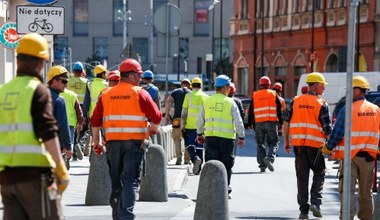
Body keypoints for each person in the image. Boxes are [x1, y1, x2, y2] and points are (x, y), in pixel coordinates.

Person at [0, 33, 69, 220]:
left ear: (18, 60)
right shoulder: (38, 91)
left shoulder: (3, 91)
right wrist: (60, 168)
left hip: (6, 179)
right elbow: (47, 131)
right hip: (34, 177)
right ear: (41, 63)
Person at [90, 58, 162, 220]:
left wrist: (96, 142)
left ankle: (117, 214)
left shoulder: (106, 94)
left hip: (113, 145)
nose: (140, 79)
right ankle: (126, 215)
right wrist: (154, 127)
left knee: (116, 181)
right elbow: (156, 115)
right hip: (134, 144)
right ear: (130, 76)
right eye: (138, 75)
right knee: (130, 181)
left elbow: (95, 120)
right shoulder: (140, 93)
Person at [322, 75, 380, 220]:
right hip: (368, 158)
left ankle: (347, 218)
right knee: (366, 193)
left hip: (350, 158)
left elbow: (338, 132)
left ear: (357, 91)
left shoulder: (349, 109)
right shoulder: (376, 110)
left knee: (347, 191)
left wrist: (328, 148)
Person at [283, 72, 332, 219]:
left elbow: (286, 123)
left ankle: (303, 211)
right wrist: (331, 148)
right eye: (323, 86)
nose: (324, 88)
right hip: (315, 147)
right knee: (319, 172)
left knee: (302, 178)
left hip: (298, 146)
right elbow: (327, 129)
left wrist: (286, 142)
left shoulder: (295, 101)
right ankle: (315, 203)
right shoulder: (321, 104)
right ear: (316, 85)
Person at [197, 75, 245, 197]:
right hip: (227, 139)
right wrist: (242, 136)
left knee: (212, 163)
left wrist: (199, 133)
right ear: (224, 87)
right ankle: (224, 190)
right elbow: (238, 122)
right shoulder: (230, 102)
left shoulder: (207, 101)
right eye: (228, 86)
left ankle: (211, 190)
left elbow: (200, 119)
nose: (229, 89)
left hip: (211, 138)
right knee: (226, 165)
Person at [248, 76, 283, 172]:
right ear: (269, 85)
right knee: (273, 142)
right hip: (271, 122)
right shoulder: (273, 94)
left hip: (258, 123)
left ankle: (262, 166)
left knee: (260, 144)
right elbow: (279, 109)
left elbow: (251, 111)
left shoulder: (255, 95)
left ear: (260, 85)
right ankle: (269, 158)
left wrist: (249, 123)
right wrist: (281, 122)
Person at [181, 77, 209, 175]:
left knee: (189, 144)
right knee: (200, 146)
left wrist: (182, 125)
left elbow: (184, 112)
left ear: (192, 86)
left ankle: (194, 158)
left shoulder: (188, 96)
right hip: (202, 126)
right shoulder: (206, 97)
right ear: (201, 86)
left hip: (190, 125)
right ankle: (198, 169)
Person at [47, 65, 73, 163]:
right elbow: (63, 125)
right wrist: (68, 147)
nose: (66, 85)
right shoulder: (59, 100)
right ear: (54, 81)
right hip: (54, 146)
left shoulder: (38, 96)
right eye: (64, 81)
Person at [164, 78, 191, 165]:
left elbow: (167, 101)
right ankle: (187, 159)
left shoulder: (175, 91)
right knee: (187, 138)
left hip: (176, 119)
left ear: (181, 84)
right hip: (187, 120)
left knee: (176, 138)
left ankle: (179, 157)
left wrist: (167, 115)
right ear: (189, 85)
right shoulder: (191, 93)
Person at [68, 61, 90, 155]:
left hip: (71, 105)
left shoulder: (68, 81)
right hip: (82, 106)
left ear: (73, 71)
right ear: (82, 71)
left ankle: (73, 144)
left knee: (72, 126)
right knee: (84, 127)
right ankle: (79, 142)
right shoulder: (86, 82)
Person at [60, 87, 84, 161]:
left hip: (58, 122)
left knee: (60, 141)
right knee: (69, 141)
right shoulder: (72, 94)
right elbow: (78, 110)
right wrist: (80, 122)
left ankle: (62, 154)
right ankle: (68, 156)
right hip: (70, 123)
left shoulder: (54, 94)